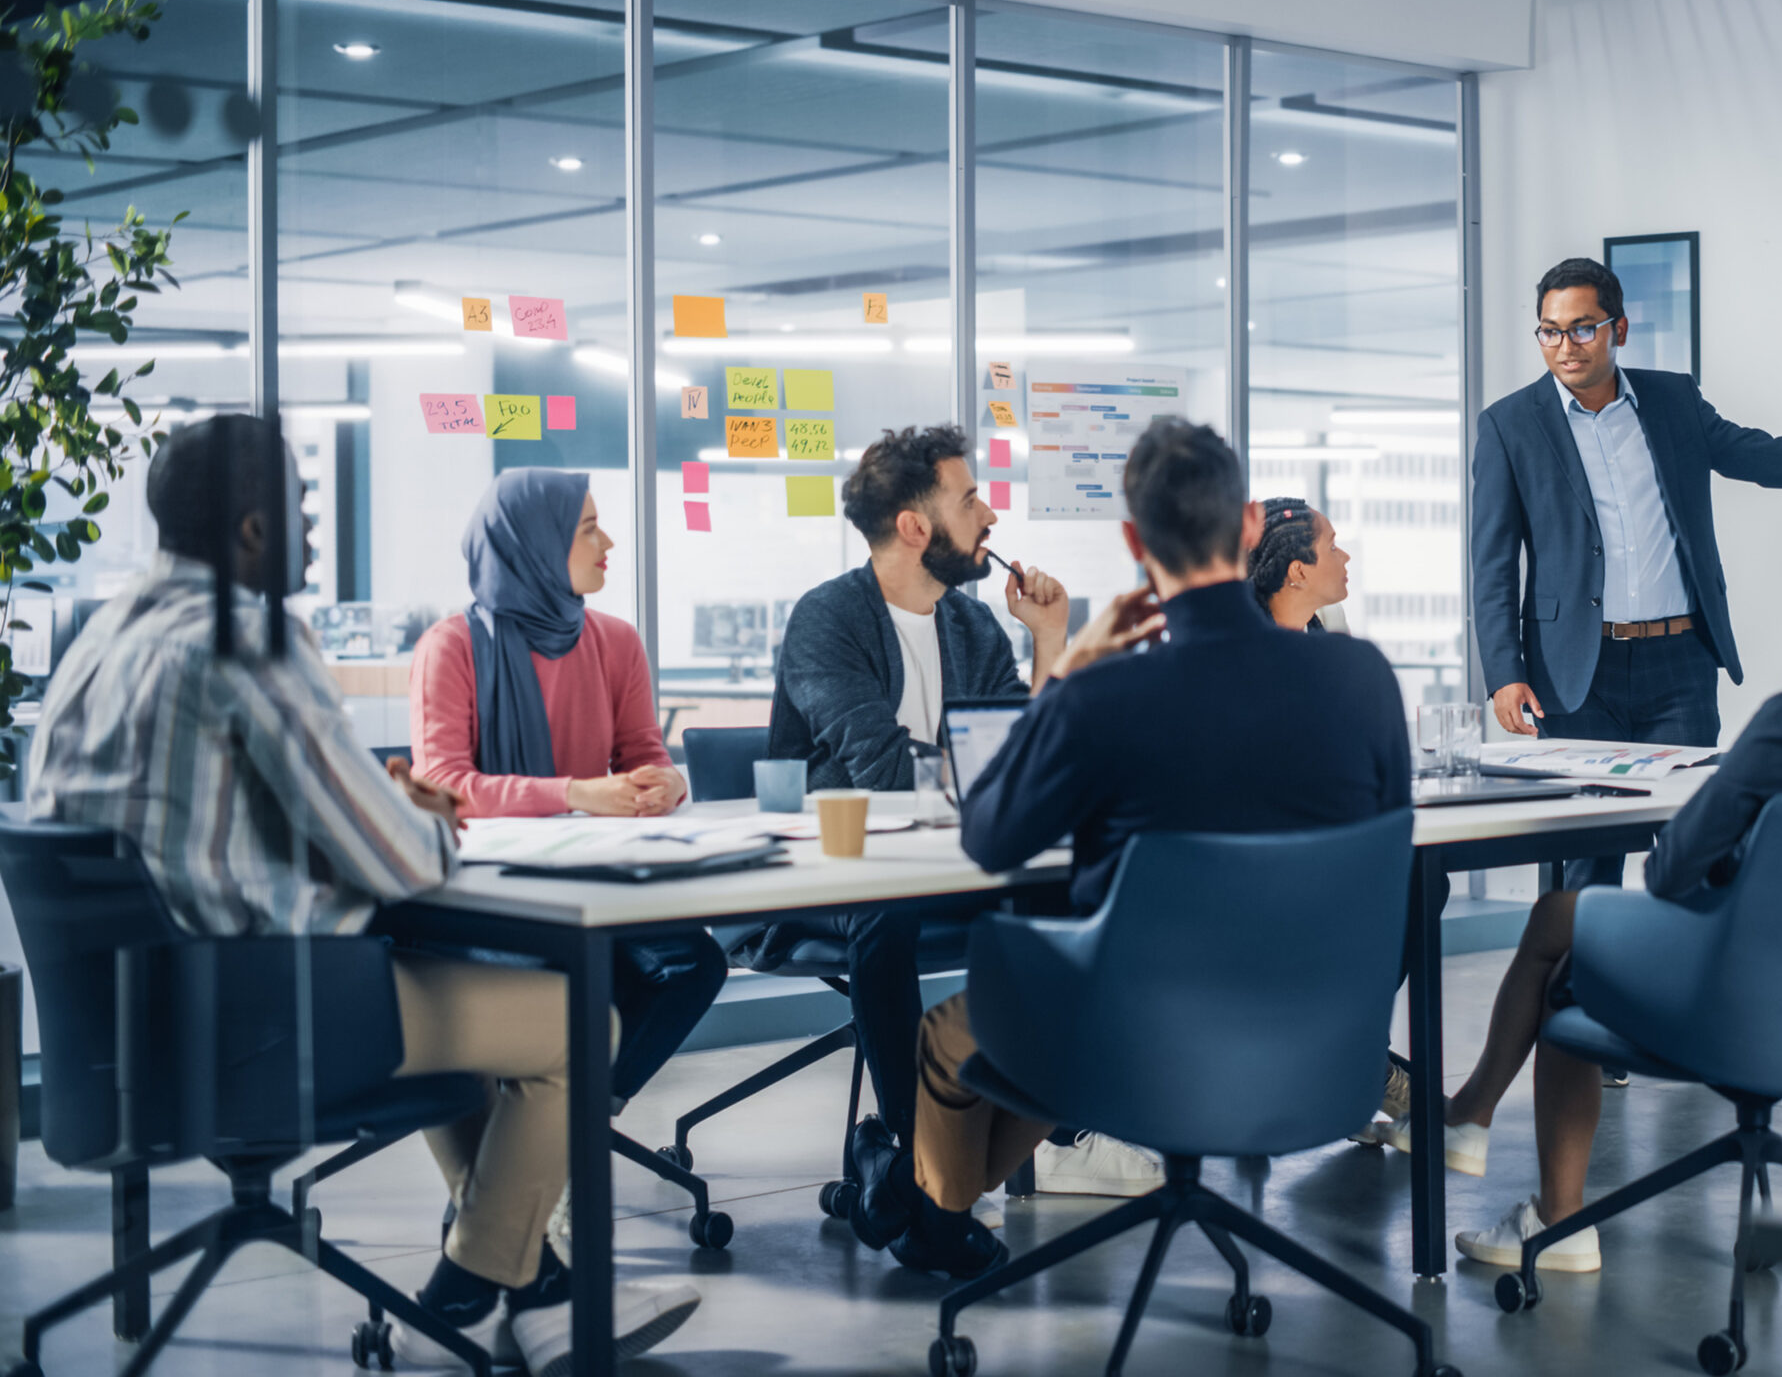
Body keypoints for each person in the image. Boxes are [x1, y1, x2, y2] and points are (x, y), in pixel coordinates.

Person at [27, 416, 698, 1371]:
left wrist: (386, 807)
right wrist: (418, 814)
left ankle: (533, 1284)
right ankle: (482, 1276)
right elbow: (401, 862)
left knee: (445, 972)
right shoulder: (249, 637)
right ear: (252, 530)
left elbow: (213, 818)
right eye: (302, 505)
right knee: (577, 1023)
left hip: (125, 1037)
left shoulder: (98, 642)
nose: (314, 527)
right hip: (262, 1021)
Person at [891, 418, 1412, 1280]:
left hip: (1136, 1049)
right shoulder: (1363, 681)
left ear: (1135, 541)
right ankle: (926, 1205)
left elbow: (990, 837)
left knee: (952, 1031)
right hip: (1319, 1042)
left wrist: (1067, 667)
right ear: (1247, 528)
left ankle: (935, 1221)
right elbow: (1386, 855)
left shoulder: (1110, 695)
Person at [1405, 504, 1782, 1274]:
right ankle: (1472, 1121)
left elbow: (1670, 872)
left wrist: (1732, 860)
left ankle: (1555, 1217)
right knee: (1567, 921)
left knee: (1565, 950)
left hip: (1745, 997)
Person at [739, 425, 1135, 1246]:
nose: (990, 514)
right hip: (829, 883)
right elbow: (880, 769)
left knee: (1074, 897)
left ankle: (1021, 1138)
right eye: (967, 499)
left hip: (948, 868)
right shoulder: (829, 620)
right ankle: (925, 1188)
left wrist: (1049, 643)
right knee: (887, 918)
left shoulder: (975, 628)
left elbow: (1020, 771)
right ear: (915, 527)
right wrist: (973, 774)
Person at [1473, 257, 1782, 888]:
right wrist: (1504, 674)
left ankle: (1688, 979)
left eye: (1583, 328)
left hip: (1677, 665)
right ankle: (1572, 988)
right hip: (1575, 674)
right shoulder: (1510, 425)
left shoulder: (1672, 400)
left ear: (1618, 329)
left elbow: (1770, 456)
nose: (1565, 346)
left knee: (1696, 849)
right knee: (1586, 863)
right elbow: (1491, 562)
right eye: (1550, 331)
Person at [408, 468, 728, 1115]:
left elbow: (643, 755)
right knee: (550, 987)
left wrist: (665, 782)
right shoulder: (451, 648)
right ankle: (542, 1152)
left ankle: (571, 1124)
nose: (607, 542)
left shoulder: (616, 641)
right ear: (534, 544)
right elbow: (441, 787)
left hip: (592, 880)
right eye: (587, 529)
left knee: (696, 963)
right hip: (488, 895)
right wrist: (577, 793)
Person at [1246, 496, 1350, 632]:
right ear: (1298, 572)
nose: (1346, 557)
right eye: (1332, 547)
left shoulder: (1331, 618)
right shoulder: (1242, 641)